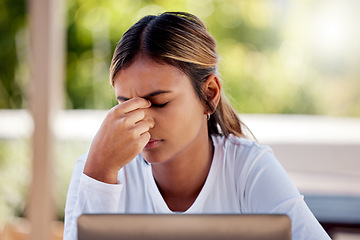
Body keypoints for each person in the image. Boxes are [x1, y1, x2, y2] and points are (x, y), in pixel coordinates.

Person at [63, 12, 330, 240]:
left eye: (159, 102)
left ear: (209, 95)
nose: (142, 122)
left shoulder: (248, 170)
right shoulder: (97, 169)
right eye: (126, 105)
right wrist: (99, 174)